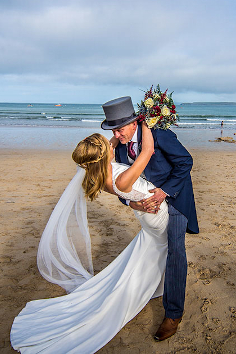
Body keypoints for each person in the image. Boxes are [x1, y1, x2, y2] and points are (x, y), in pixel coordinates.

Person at [10, 122, 169, 353]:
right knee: (161, 247)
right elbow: (147, 151)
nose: (111, 142)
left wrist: (112, 140)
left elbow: (109, 147)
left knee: (152, 249)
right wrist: (144, 120)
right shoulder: (121, 178)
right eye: (108, 144)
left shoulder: (99, 174)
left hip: (143, 213)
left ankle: (156, 283)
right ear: (105, 155)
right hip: (155, 214)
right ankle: (153, 286)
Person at [101, 95, 199, 341]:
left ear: (134, 123)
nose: (117, 135)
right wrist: (131, 202)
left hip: (175, 200)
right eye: (113, 129)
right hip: (147, 211)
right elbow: (120, 184)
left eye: (120, 129)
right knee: (156, 246)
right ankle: (153, 286)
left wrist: (165, 191)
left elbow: (185, 162)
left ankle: (173, 314)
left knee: (176, 250)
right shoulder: (122, 147)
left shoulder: (160, 135)